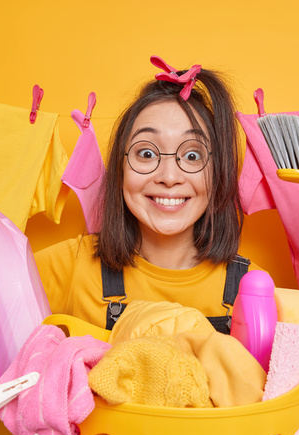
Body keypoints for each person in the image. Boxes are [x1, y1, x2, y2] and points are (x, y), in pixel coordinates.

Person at [34, 56, 263, 331]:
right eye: (146, 153)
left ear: (218, 175)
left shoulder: (254, 287)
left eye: (192, 155)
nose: (168, 177)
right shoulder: (68, 267)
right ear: (120, 170)